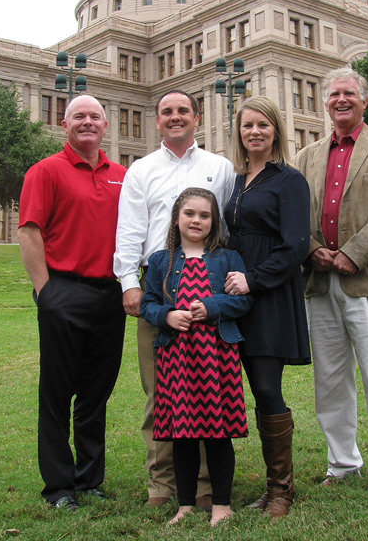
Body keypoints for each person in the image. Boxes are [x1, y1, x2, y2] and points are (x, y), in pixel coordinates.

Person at [114, 90, 235, 508]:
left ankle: (203, 486)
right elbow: (130, 230)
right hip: (159, 288)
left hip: (211, 291)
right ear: (157, 120)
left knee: (208, 388)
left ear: (196, 118)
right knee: (160, 393)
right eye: (167, 112)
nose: (175, 117)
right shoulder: (141, 170)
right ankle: (161, 487)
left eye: (183, 110)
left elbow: (229, 229)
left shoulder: (219, 168)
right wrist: (129, 282)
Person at [296, 67, 368, 493]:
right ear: (324, 102)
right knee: (329, 380)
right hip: (321, 283)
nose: (340, 100)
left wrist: (354, 252)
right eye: (333, 95)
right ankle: (342, 463)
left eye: (348, 94)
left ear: (364, 100)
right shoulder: (307, 156)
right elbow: (293, 214)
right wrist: (311, 249)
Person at [17, 95, 127, 511]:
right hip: (64, 292)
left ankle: (89, 479)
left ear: (105, 125)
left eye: (94, 116)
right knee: (57, 393)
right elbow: (29, 232)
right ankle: (59, 487)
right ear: (65, 125)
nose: (87, 123)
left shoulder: (121, 175)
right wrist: (47, 293)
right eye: (78, 116)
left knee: (96, 393)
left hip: (110, 296)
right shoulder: (46, 171)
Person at [140, 188, 253, 526]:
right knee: (183, 432)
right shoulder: (162, 261)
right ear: (177, 217)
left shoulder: (227, 258)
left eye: (205, 215)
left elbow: (244, 301)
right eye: (190, 213)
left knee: (218, 432)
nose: (197, 220)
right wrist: (167, 316)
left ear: (213, 221)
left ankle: (221, 503)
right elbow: (147, 304)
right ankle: (185, 503)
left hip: (218, 355)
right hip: (177, 356)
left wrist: (213, 306)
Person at [223, 97, 311, 517]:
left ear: (276, 130)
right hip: (235, 297)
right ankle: (268, 487)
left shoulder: (289, 180)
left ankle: (281, 490)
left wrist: (254, 279)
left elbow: (295, 244)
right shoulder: (239, 181)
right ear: (238, 133)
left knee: (265, 387)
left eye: (262, 125)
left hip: (270, 294)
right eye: (247, 126)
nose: (254, 132)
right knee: (244, 388)